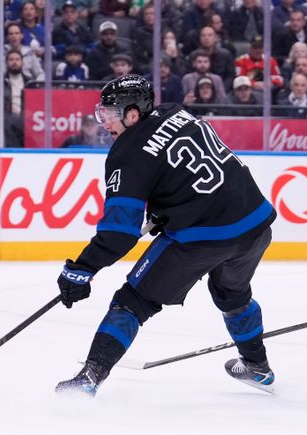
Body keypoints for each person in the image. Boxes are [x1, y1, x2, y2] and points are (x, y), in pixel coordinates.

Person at [54, 74, 276, 397]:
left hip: (203, 234)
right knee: (231, 294)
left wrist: (81, 269)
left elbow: (119, 234)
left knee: (134, 300)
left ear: (132, 114)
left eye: (111, 115)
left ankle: (89, 378)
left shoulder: (126, 155)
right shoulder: (175, 111)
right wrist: (166, 207)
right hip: (255, 222)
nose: (105, 124)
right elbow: (183, 169)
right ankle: (258, 365)